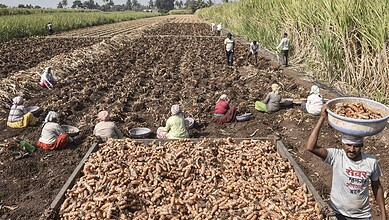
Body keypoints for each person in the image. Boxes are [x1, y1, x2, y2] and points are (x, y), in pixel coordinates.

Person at [307, 105, 387, 220]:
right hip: (337, 213)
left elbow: (377, 187)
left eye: (356, 146)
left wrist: (384, 215)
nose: (351, 149)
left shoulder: (371, 162)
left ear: (362, 145)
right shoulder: (337, 156)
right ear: (342, 144)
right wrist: (322, 118)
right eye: (348, 145)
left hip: (362, 216)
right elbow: (311, 147)